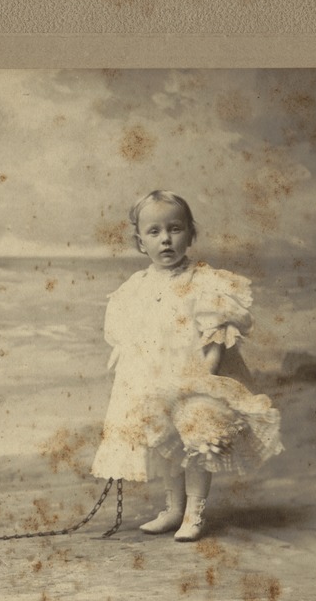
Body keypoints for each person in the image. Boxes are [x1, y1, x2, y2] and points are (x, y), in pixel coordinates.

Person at [91, 190, 283, 541]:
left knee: (196, 443)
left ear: (191, 234)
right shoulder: (136, 287)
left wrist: (202, 381)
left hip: (195, 377)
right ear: (140, 242)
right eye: (154, 232)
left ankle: (195, 511)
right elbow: (132, 339)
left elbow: (215, 337)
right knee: (166, 444)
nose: (165, 239)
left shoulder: (206, 282)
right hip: (154, 380)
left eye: (175, 229)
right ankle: (173, 508)